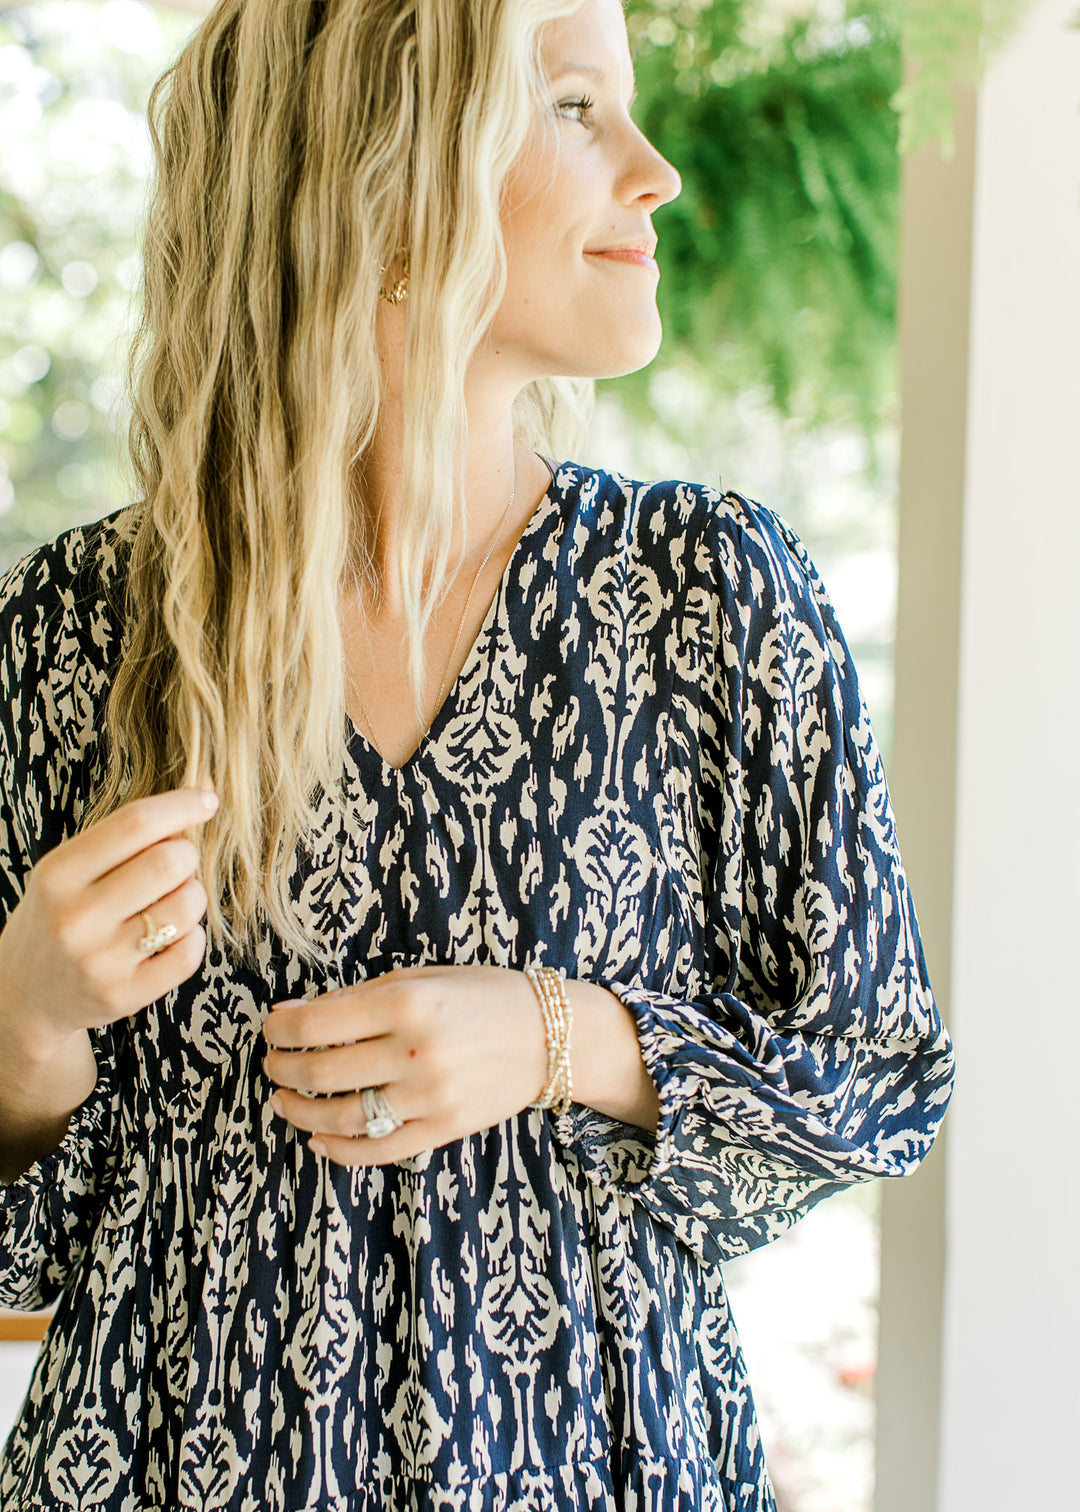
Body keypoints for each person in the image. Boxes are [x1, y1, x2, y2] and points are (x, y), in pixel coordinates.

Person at [0, 0, 954, 1506]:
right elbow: (23, 1249)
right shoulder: (76, 629)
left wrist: (560, 1035)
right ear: (383, 174)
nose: (656, 173)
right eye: (577, 107)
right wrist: (31, 1025)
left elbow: (879, 1081)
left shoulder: (711, 594)